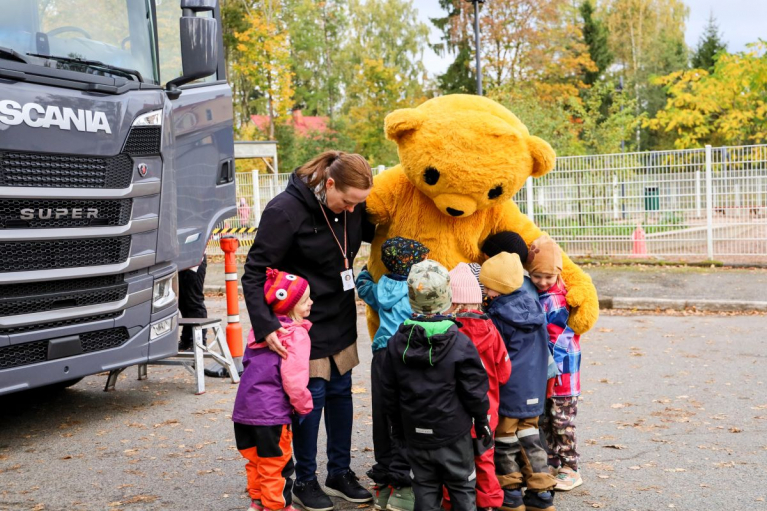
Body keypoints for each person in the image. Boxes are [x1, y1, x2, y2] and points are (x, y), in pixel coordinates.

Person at [242, 151, 374, 511]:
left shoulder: (353, 205)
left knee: (341, 392)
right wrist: (266, 325)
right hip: (301, 325)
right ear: (329, 184)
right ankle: (304, 479)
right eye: (347, 201)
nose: (352, 210)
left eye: (358, 204)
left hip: (341, 315)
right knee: (310, 398)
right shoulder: (284, 211)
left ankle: (340, 472)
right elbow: (254, 272)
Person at [380, 260, 491, 511]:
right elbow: (474, 388)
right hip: (453, 432)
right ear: (449, 299)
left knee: (425, 485)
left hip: (415, 431)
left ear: (411, 299)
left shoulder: (397, 342)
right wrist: (481, 419)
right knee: (462, 485)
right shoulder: (459, 342)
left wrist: (397, 426)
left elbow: (388, 390)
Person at [355, 237, 430, 511]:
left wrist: (364, 272)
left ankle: (384, 479)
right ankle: (403, 481)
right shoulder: (416, 291)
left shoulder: (380, 288)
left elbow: (364, 288)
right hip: (407, 353)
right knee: (405, 417)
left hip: (382, 354)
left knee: (383, 415)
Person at [480, 252, 557, 511]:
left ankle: (510, 491)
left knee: (505, 438)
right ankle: (542, 491)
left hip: (510, 387)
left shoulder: (498, 316)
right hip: (533, 386)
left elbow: (495, 354)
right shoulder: (533, 307)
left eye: (488, 286)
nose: (486, 291)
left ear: (498, 287)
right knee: (530, 436)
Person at [232, 268, 314, 511]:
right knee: (276, 464)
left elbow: (248, 365)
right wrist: (303, 405)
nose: (311, 302)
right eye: (305, 300)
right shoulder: (295, 336)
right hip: (272, 414)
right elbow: (294, 379)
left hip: (245, 412)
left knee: (255, 460)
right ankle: (277, 507)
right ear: (289, 306)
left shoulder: (258, 331)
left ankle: (257, 502)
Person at [444, 262, 511, 511]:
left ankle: (452, 502)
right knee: (485, 460)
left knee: (455, 463)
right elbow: (504, 371)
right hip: (487, 411)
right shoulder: (491, 330)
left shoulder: (448, 333)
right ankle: (491, 503)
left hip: (457, 415)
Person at [527, 235, 583, 492]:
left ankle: (571, 467)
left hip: (563, 374)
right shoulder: (537, 293)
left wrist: (548, 363)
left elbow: (561, 338)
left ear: (558, 274)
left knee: (562, 421)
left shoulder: (558, 299)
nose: (542, 281)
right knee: (546, 420)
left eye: (548, 277)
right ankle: (552, 462)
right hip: (546, 372)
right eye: (537, 275)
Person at [178, 253, 207, 351]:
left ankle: (199, 341)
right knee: (182, 303)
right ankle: (186, 340)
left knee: (194, 302)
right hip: (180, 262)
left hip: (195, 262)